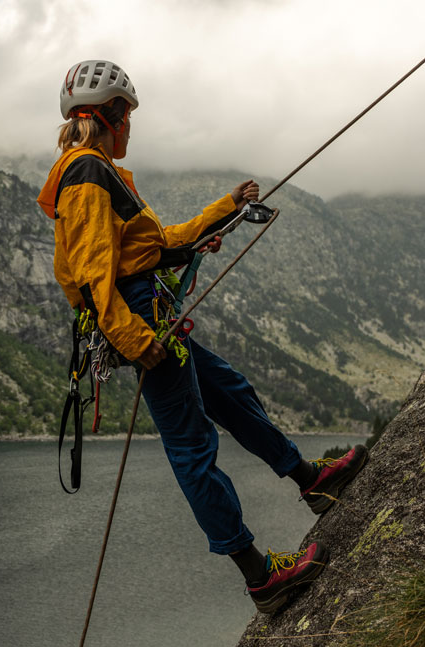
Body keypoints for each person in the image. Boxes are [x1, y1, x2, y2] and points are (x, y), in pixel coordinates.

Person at [37, 59, 367, 613]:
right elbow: (96, 276)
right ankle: (259, 574)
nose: (132, 125)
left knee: (229, 390)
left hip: (145, 310)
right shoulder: (88, 174)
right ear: (111, 114)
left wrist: (225, 208)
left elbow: (158, 243)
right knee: (192, 447)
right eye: (129, 114)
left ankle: (311, 480)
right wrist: (140, 341)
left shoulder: (98, 172)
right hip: (138, 318)